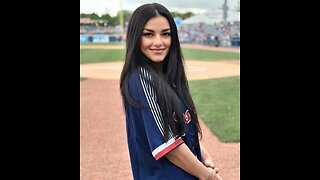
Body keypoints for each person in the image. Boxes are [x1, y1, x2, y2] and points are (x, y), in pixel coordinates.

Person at [120, 3, 222, 180]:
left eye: (166, 34)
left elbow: (180, 129)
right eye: (148, 34)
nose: (158, 42)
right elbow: (168, 146)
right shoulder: (142, 79)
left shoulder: (168, 77)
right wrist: (208, 176)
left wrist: (203, 154)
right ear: (136, 37)